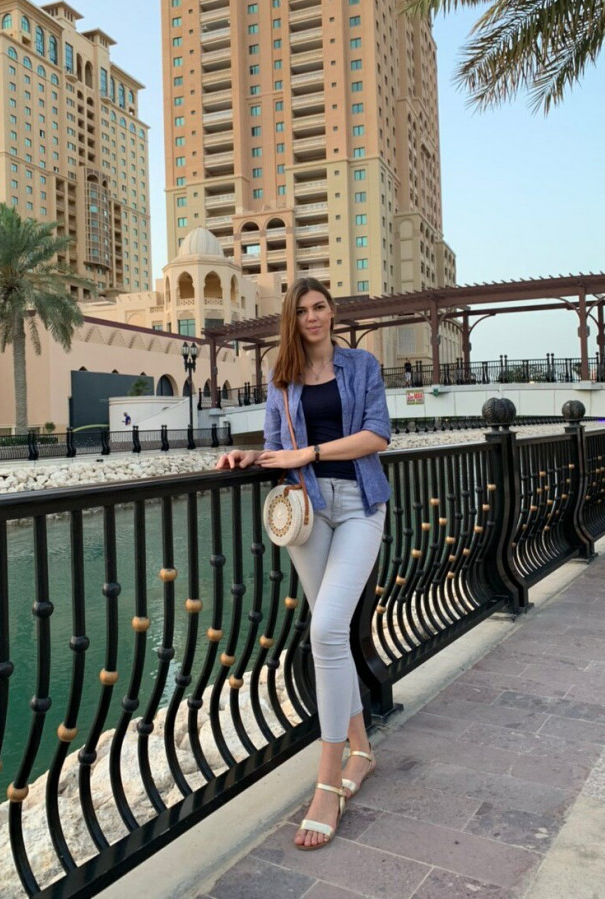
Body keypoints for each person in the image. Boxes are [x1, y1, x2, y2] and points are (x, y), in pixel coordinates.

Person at [216, 277, 391, 851]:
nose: (312, 316)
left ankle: (326, 783)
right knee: (331, 634)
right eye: (302, 310)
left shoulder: (360, 365)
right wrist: (251, 455)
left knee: (326, 630)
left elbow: (377, 436)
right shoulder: (282, 377)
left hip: (360, 505)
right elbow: (277, 447)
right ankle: (360, 751)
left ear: (332, 312)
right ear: (291, 319)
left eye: (320, 307)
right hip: (307, 511)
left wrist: (309, 452)